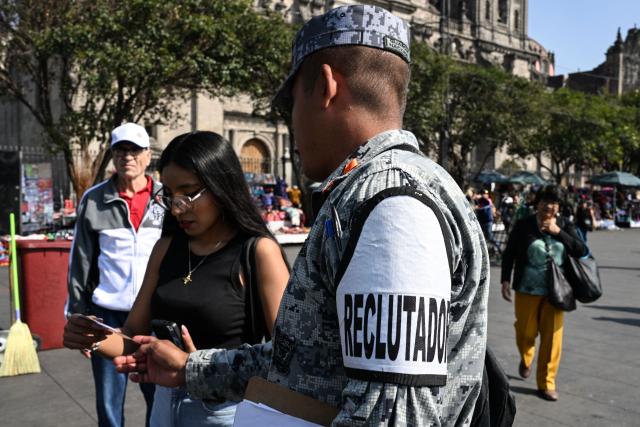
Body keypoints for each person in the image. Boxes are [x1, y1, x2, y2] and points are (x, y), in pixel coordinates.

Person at [115, 5, 489, 425]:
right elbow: (302, 356)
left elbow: (391, 414)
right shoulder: (372, 193)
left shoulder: (392, 209)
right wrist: (193, 369)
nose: (292, 124)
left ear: (327, 86)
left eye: (291, 104)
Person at [64, 131, 290, 426]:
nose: (176, 207)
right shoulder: (167, 247)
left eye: (190, 192)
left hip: (224, 412)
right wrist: (93, 337)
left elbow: (290, 358)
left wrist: (199, 368)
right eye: (169, 194)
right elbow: (134, 335)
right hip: (164, 407)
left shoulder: (259, 252)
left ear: (222, 185)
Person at [65, 122, 163, 427]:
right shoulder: (93, 200)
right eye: (121, 150)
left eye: (135, 150)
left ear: (148, 155)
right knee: (108, 402)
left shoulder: (165, 198)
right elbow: (80, 260)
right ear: (113, 155)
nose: (127, 157)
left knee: (159, 398)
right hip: (108, 318)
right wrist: (79, 316)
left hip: (154, 316)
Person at [500, 185, 586, 402]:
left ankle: (547, 383)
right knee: (525, 331)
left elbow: (580, 249)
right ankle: (526, 358)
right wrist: (505, 280)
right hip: (527, 289)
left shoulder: (565, 224)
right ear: (537, 203)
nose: (549, 206)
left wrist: (559, 232)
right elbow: (509, 253)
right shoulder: (523, 225)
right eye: (545, 201)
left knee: (553, 338)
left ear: (559, 206)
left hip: (557, 292)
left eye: (554, 202)